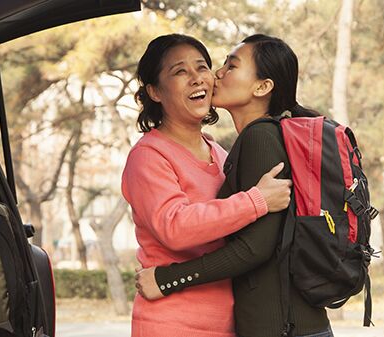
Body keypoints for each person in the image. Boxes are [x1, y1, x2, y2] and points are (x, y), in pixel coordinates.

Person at [135, 34, 333, 337]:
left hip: (231, 324)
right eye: (179, 72)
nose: (201, 78)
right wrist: (256, 201)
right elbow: (174, 227)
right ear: (154, 91)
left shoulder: (222, 152)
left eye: (202, 67)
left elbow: (255, 245)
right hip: (174, 323)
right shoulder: (148, 156)